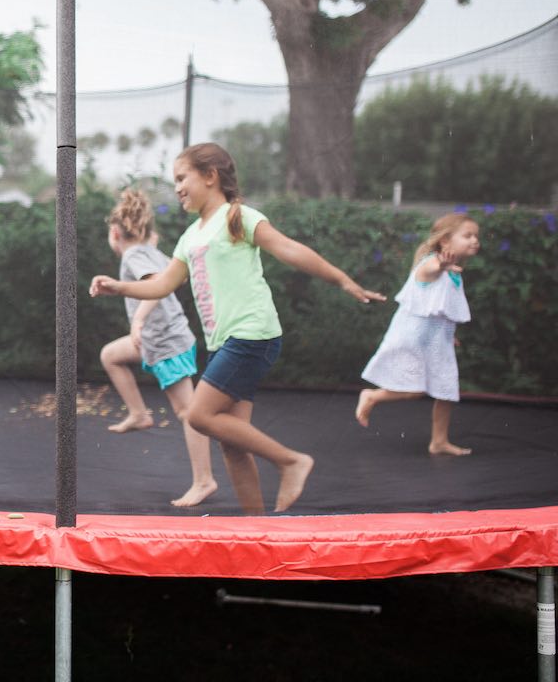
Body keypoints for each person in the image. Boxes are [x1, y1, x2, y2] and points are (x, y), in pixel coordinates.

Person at [90, 143, 384, 514]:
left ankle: (291, 461)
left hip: (252, 334)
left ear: (210, 177)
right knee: (231, 443)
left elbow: (288, 249)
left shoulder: (238, 217)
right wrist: (119, 287)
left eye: (182, 178)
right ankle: (254, 528)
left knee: (198, 416)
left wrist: (342, 280)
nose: (177, 187)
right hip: (224, 342)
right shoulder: (190, 237)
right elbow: (162, 285)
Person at [98, 188, 218, 507]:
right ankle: (139, 414)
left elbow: (156, 287)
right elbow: (175, 274)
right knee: (111, 355)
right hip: (157, 339)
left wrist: (137, 321)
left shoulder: (135, 255)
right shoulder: (148, 250)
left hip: (165, 342)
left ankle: (204, 480)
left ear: (115, 233)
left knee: (188, 412)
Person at [356, 213, 480, 456]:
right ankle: (371, 396)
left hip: (436, 340)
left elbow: (439, 307)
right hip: (412, 338)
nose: (475, 240)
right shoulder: (430, 264)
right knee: (414, 389)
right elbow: (431, 271)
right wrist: (441, 264)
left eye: (476, 236)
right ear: (445, 242)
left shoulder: (454, 271)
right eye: (468, 236)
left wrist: (447, 334)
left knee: (447, 390)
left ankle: (439, 442)